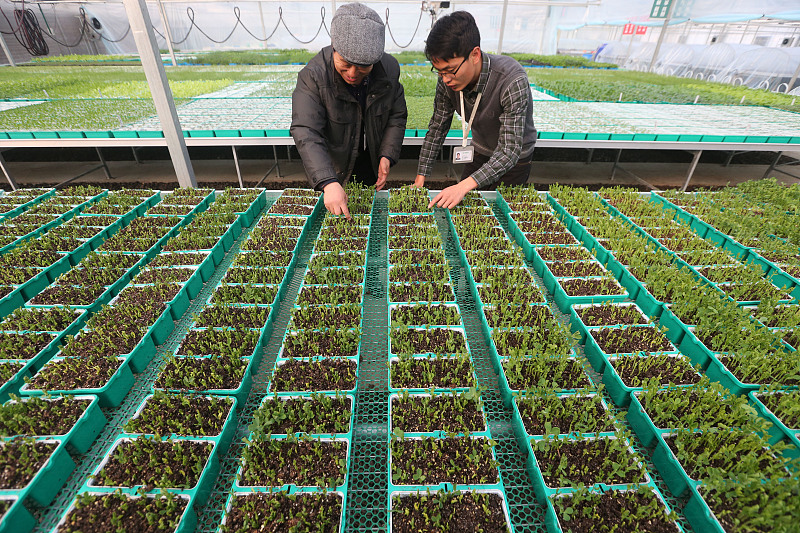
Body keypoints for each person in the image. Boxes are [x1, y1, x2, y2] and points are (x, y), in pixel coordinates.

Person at [291, 2, 408, 219]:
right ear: (334, 47)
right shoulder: (313, 76)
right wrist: (327, 181)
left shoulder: (389, 70)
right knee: (337, 216)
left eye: (363, 66)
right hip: (333, 163)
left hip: (369, 159)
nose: (353, 73)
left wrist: (386, 154)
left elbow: (396, 115)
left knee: (366, 213)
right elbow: (306, 130)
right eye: (345, 62)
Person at [413, 11, 537, 209]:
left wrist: (464, 186)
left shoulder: (511, 80)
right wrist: (421, 178)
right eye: (440, 71)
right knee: (465, 210)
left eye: (451, 70)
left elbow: (509, 151)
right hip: (480, 151)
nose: (445, 79)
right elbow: (437, 127)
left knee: (499, 215)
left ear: (475, 54)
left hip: (515, 160)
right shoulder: (447, 80)